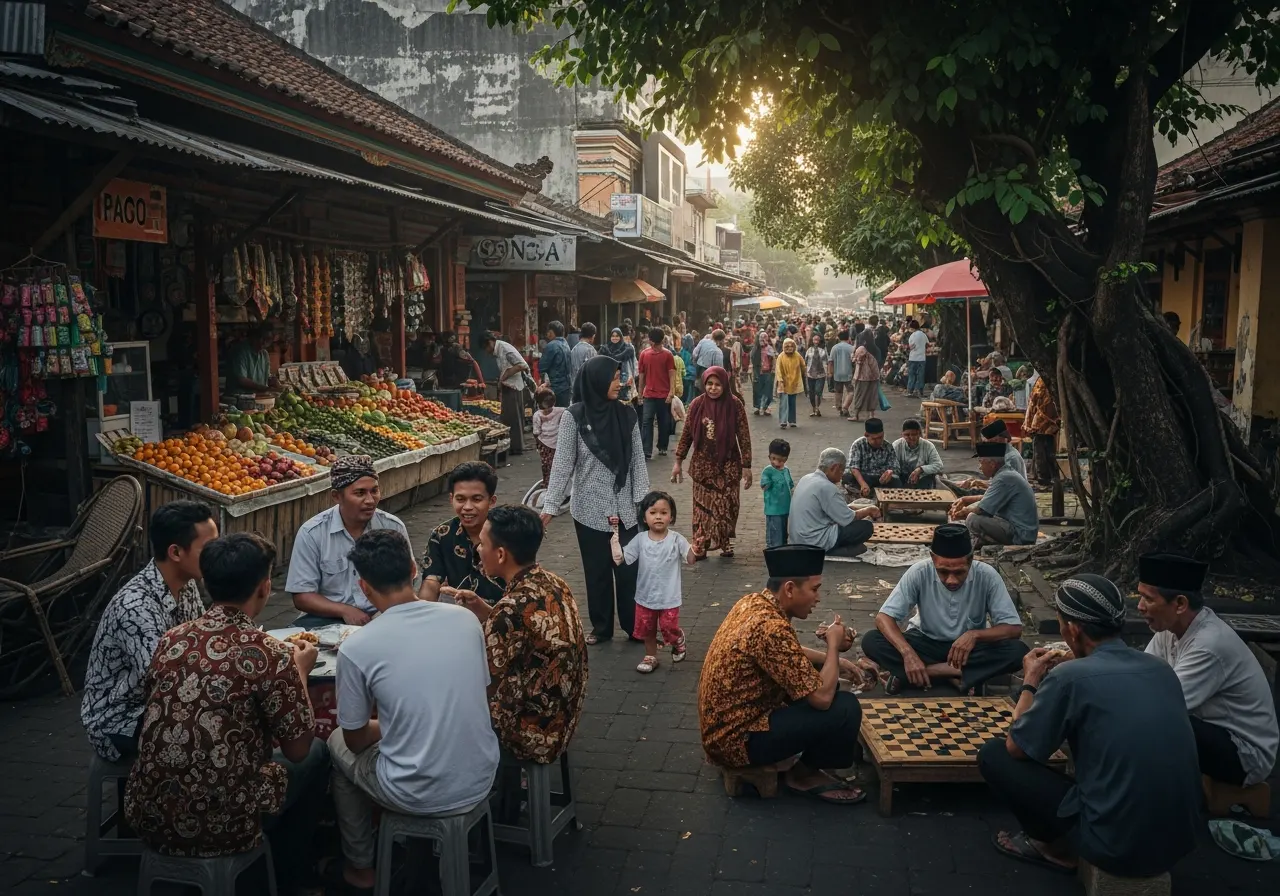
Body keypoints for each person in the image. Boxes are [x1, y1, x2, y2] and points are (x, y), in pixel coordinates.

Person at [126, 533, 328, 893]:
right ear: (265, 587)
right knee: (317, 753)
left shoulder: (171, 639)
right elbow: (297, 748)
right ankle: (292, 873)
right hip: (223, 819)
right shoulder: (269, 653)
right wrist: (299, 671)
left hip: (148, 810)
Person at [978, 575, 1200, 877]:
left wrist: (1030, 681)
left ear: (1072, 629)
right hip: (1180, 841)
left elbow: (1017, 748)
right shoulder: (1161, 669)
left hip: (1116, 848)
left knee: (994, 755)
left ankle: (1052, 848)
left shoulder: (1068, 677)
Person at [329, 529, 499, 892]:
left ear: (362, 586)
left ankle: (360, 865)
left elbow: (356, 740)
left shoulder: (357, 648)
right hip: (482, 774)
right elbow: (479, 692)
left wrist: (388, 727)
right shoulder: (465, 620)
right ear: (412, 569)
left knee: (334, 742)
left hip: (414, 791)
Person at [699, 545, 867, 804]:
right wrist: (833, 646)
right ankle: (803, 776)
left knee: (824, 680)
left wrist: (838, 661)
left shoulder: (754, 602)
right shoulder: (771, 628)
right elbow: (821, 699)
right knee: (843, 707)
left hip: (723, 730)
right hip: (736, 741)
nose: (818, 597)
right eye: (814, 589)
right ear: (789, 589)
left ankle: (801, 761)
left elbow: (787, 652)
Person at [451, 505, 587, 763]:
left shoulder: (510, 610)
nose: (478, 550)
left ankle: (483, 794)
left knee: (447, 706)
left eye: (482, 544)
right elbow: (529, 631)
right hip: (565, 714)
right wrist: (486, 611)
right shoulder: (553, 582)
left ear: (500, 554)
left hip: (533, 731)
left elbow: (485, 681)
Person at [81, 501, 217, 761]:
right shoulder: (135, 607)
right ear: (176, 552)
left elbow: (202, 642)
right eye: (208, 549)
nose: (216, 557)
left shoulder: (187, 585)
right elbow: (167, 681)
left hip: (161, 702)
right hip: (120, 720)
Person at [1137, 553, 1278, 788]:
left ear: (1180, 604)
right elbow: (1140, 677)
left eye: (1148, 599)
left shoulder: (1209, 644)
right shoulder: (1167, 629)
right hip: (1207, 729)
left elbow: (1161, 705)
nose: (1139, 607)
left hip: (1245, 755)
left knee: (1154, 722)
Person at [542, 355, 649, 643]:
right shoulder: (573, 417)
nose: (620, 382)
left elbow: (638, 460)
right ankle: (601, 628)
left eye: (619, 377)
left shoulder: (627, 415)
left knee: (628, 571)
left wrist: (645, 503)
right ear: (597, 381)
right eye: (614, 377)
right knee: (597, 571)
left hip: (625, 508)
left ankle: (634, 626)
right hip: (588, 509)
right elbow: (562, 464)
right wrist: (550, 506)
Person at [861, 524, 1029, 694]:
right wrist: (908, 654)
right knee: (871, 640)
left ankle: (922, 673)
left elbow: (1014, 629)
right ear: (933, 559)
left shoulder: (987, 576)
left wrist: (974, 635)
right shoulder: (919, 572)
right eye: (943, 572)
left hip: (969, 650)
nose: (951, 581)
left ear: (970, 560)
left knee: (1018, 651)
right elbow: (883, 618)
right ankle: (956, 674)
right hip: (925, 642)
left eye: (959, 573)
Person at [287, 455, 410, 626]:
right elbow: (302, 596)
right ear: (337, 496)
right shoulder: (312, 533)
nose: (370, 500)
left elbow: (407, 582)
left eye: (374, 491)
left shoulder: (393, 528)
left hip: (383, 615)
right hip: (328, 618)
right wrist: (345, 610)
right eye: (360, 493)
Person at [611, 491, 697, 673]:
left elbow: (690, 559)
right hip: (645, 596)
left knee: (669, 627)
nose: (658, 516)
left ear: (671, 516)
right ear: (644, 517)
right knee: (647, 629)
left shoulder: (676, 539)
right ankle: (650, 656)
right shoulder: (640, 540)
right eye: (653, 512)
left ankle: (677, 639)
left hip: (669, 597)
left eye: (664, 512)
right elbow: (623, 559)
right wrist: (615, 543)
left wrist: (696, 549)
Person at [672, 366, 753, 558]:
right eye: (709, 384)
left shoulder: (735, 405)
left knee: (727, 507)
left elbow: (744, 436)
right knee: (702, 509)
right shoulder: (697, 405)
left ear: (725, 385)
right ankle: (701, 545)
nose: (713, 388)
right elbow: (686, 436)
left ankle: (725, 543)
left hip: (728, 467)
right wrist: (678, 462)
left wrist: (746, 465)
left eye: (717, 385)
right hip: (703, 468)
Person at [418, 461, 506, 606]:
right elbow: (431, 582)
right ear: (451, 499)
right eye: (460, 499)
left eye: (476, 499)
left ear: (491, 501)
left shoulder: (507, 534)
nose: (467, 507)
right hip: (459, 617)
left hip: (503, 617)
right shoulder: (442, 535)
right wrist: (421, 614)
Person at [789, 448, 881, 553]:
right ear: (835, 467)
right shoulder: (827, 487)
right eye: (842, 470)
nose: (842, 474)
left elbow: (838, 510)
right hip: (815, 542)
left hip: (798, 539)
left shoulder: (806, 478)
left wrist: (860, 508)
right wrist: (870, 510)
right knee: (866, 527)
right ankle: (834, 550)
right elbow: (850, 518)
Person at [950, 443, 1039, 547]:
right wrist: (965, 500)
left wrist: (962, 512)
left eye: (981, 462)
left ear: (992, 464)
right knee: (973, 516)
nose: (979, 468)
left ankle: (992, 542)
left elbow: (982, 509)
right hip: (1020, 530)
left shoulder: (1004, 478)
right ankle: (986, 539)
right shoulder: (1004, 474)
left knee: (972, 519)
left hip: (1021, 535)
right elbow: (989, 498)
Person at [638, 327, 677, 459]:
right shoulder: (644, 354)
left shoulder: (667, 355)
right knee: (646, 421)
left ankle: (662, 446)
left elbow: (672, 374)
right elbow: (642, 375)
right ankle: (646, 450)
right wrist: (640, 394)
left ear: (652, 341)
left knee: (663, 422)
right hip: (649, 394)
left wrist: (671, 392)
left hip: (663, 394)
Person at [488, 332, 529, 455]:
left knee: (513, 417)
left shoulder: (505, 348)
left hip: (513, 386)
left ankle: (516, 447)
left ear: (490, 342)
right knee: (509, 417)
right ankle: (513, 446)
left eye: (486, 348)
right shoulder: (499, 349)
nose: (487, 352)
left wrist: (504, 376)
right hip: (508, 386)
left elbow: (522, 365)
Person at [1023, 372, 1061, 488]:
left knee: (1043, 450)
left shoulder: (1044, 382)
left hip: (1047, 421)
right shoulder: (1047, 381)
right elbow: (1033, 403)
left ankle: (1044, 476)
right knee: (1044, 450)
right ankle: (1045, 476)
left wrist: (1028, 424)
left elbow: (1032, 402)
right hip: (1045, 421)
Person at [844, 418, 899, 497]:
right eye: (874, 439)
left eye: (880, 437)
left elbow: (895, 467)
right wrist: (863, 484)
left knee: (897, 481)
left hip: (880, 478)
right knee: (848, 477)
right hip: (864, 476)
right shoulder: (858, 444)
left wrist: (890, 472)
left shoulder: (888, 446)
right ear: (866, 435)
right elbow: (854, 467)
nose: (878, 441)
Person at [761, 438, 795, 549]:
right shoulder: (768, 471)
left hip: (785, 507)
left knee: (783, 530)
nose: (776, 462)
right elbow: (764, 485)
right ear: (769, 457)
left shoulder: (786, 470)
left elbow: (790, 485)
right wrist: (768, 484)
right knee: (774, 530)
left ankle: (782, 547)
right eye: (773, 459)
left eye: (780, 460)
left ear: (785, 459)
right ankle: (773, 549)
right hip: (773, 508)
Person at [893, 418, 944, 488]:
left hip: (922, 477)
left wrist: (920, 470)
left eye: (914, 434)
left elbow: (939, 465)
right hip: (902, 477)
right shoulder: (896, 445)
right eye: (907, 435)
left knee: (927, 481)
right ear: (902, 434)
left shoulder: (928, 445)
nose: (911, 437)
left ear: (919, 433)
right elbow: (892, 465)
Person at [532, 386, 564, 486]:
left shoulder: (537, 415)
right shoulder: (560, 411)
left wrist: (538, 443)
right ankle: (557, 482)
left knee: (546, 464)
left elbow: (536, 432)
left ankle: (548, 482)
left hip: (544, 444)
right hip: (554, 443)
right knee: (556, 464)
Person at [228, 323, 275, 392]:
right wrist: (264, 388)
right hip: (238, 397)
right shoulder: (240, 351)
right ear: (253, 337)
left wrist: (274, 382)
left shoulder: (264, 354)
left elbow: (267, 377)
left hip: (257, 397)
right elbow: (241, 380)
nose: (263, 342)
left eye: (267, 339)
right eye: (260, 337)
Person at [539, 321, 573, 406]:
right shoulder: (566, 344)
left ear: (551, 333)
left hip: (555, 388)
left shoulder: (551, 345)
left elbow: (542, 367)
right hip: (567, 386)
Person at [775, 336, 805, 429]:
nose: (789, 348)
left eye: (791, 346)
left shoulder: (797, 355)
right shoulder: (781, 356)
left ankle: (792, 421)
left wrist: (805, 375)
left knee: (792, 402)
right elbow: (778, 369)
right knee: (784, 402)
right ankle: (783, 421)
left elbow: (803, 366)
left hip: (794, 382)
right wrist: (780, 380)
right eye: (786, 347)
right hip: (784, 383)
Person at [849, 341, 880, 422]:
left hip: (862, 379)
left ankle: (856, 415)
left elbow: (854, 361)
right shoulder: (870, 357)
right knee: (871, 397)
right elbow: (875, 369)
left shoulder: (861, 357)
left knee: (859, 397)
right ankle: (871, 415)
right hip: (871, 379)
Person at [829, 330, 854, 417]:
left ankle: (839, 407)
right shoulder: (851, 348)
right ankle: (845, 407)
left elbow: (831, 361)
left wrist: (830, 373)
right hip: (848, 373)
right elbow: (854, 361)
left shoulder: (834, 348)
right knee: (850, 391)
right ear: (848, 337)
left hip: (837, 373)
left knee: (838, 392)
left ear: (839, 338)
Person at [750, 331, 776, 416]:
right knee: (757, 389)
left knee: (768, 390)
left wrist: (773, 369)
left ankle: (766, 407)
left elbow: (774, 359)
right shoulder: (755, 349)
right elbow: (752, 360)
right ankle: (757, 407)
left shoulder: (770, 348)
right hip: (757, 371)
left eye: (765, 338)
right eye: (761, 338)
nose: (763, 340)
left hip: (768, 372)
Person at [803, 333, 829, 417]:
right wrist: (805, 372)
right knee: (811, 392)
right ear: (812, 340)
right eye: (814, 339)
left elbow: (826, 362)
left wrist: (827, 372)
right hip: (810, 374)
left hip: (820, 374)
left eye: (818, 340)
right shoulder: (809, 350)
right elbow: (805, 362)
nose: (816, 341)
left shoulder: (823, 351)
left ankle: (817, 407)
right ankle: (814, 408)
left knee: (818, 391)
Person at [570, 321, 598, 387]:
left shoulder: (573, 349)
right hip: (586, 388)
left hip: (574, 387)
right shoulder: (591, 350)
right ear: (593, 336)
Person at [905, 319, 928, 397]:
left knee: (912, 375)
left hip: (913, 358)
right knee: (920, 376)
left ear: (912, 328)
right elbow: (927, 344)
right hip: (922, 358)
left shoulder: (912, 336)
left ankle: (910, 391)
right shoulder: (923, 334)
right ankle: (920, 391)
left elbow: (911, 347)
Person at [678, 332, 697, 401]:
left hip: (685, 375)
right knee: (691, 394)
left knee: (685, 393)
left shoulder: (682, 352)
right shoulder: (694, 351)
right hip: (692, 375)